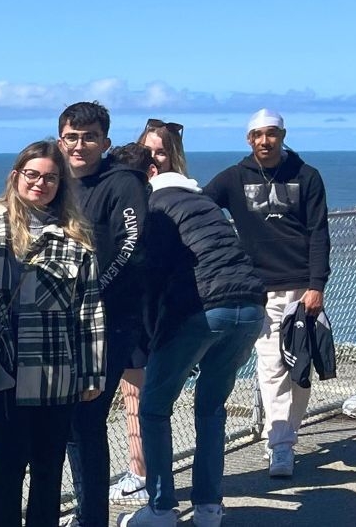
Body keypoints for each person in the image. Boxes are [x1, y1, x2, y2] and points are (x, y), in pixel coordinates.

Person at [106, 144, 266, 527]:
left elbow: (152, 275)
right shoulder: (201, 201)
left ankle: (161, 507)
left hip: (201, 309)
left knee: (155, 408)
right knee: (211, 408)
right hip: (250, 306)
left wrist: (149, 334)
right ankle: (209, 507)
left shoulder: (153, 208)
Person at [0, 140, 105, 527]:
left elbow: (89, 311)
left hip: (57, 370)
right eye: (33, 175)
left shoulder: (75, 238)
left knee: (49, 463)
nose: (40, 184)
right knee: (7, 460)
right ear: (16, 176)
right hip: (2, 366)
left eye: (51, 178)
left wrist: (92, 373)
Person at [203, 109, 331, 478]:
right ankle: (280, 446)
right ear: (248, 139)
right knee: (272, 366)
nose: (264, 141)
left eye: (271, 134)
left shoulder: (307, 176)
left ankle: (284, 433)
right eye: (257, 135)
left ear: (283, 135)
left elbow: (319, 233)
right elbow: (199, 206)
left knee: (300, 369)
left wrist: (316, 286)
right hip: (259, 291)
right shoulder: (232, 178)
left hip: (302, 289)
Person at [58, 102, 150, 526]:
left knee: (87, 420)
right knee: (71, 424)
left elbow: (131, 246)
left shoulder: (123, 183)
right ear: (62, 139)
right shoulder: (59, 183)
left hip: (111, 322)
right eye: (72, 137)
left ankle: (90, 516)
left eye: (90, 136)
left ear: (105, 142)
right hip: (64, 323)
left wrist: (94, 292)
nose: (81, 145)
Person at [109, 118, 188, 503]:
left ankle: (145, 473)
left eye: (161, 151)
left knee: (145, 397)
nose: (154, 159)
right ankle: (143, 469)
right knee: (134, 395)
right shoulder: (139, 195)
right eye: (149, 151)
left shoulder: (169, 197)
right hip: (140, 310)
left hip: (164, 310)